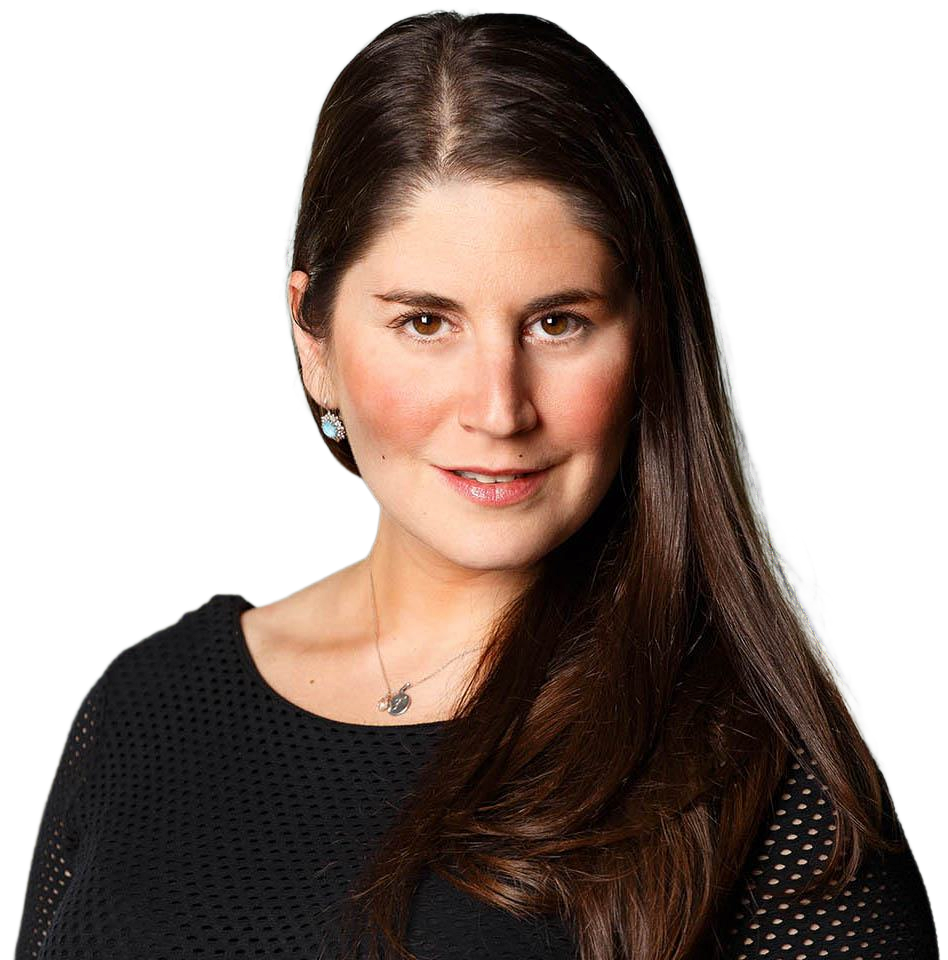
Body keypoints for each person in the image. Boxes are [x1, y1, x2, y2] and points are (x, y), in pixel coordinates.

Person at [11, 9, 941, 960]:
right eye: (425, 322)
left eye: (557, 322)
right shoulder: (144, 703)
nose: (500, 409)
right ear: (313, 341)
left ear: (647, 342)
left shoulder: (753, 761)